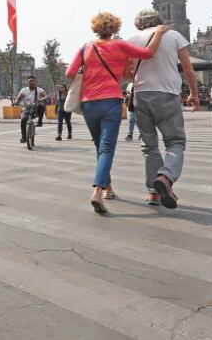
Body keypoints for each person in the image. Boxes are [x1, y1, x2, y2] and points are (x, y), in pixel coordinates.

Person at [65, 12, 167, 214]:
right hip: (110, 102)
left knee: (99, 147)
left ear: (95, 28)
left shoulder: (85, 47)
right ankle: (97, 190)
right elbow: (148, 54)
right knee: (106, 148)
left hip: (88, 104)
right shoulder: (120, 46)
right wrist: (159, 32)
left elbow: (69, 73)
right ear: (114, 29)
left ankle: (108, 188)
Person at [125, 8, 199, 208]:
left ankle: (153, 193)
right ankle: (166, 178)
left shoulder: (131, 40)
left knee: (149, 146)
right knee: (175, 142)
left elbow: (126, 72)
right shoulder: (173, 35)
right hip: (167, 95)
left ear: (138, 23)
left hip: (141, 96)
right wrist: (194, 94)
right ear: (159, 21)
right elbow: (188, 68)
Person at [14, 76, 48, 144]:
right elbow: (18, 98)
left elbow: (46, 96)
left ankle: (40, 121)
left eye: (33, 81)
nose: (31, 82)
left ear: (35, 82)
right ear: (27, 82)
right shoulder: (24, 90)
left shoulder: (39, 90)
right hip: (26, 109)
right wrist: (16, 102)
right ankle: (24, 137)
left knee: (41, 105)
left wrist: (41, 99)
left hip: (35, 109)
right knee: (23, 119)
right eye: (30, 81)